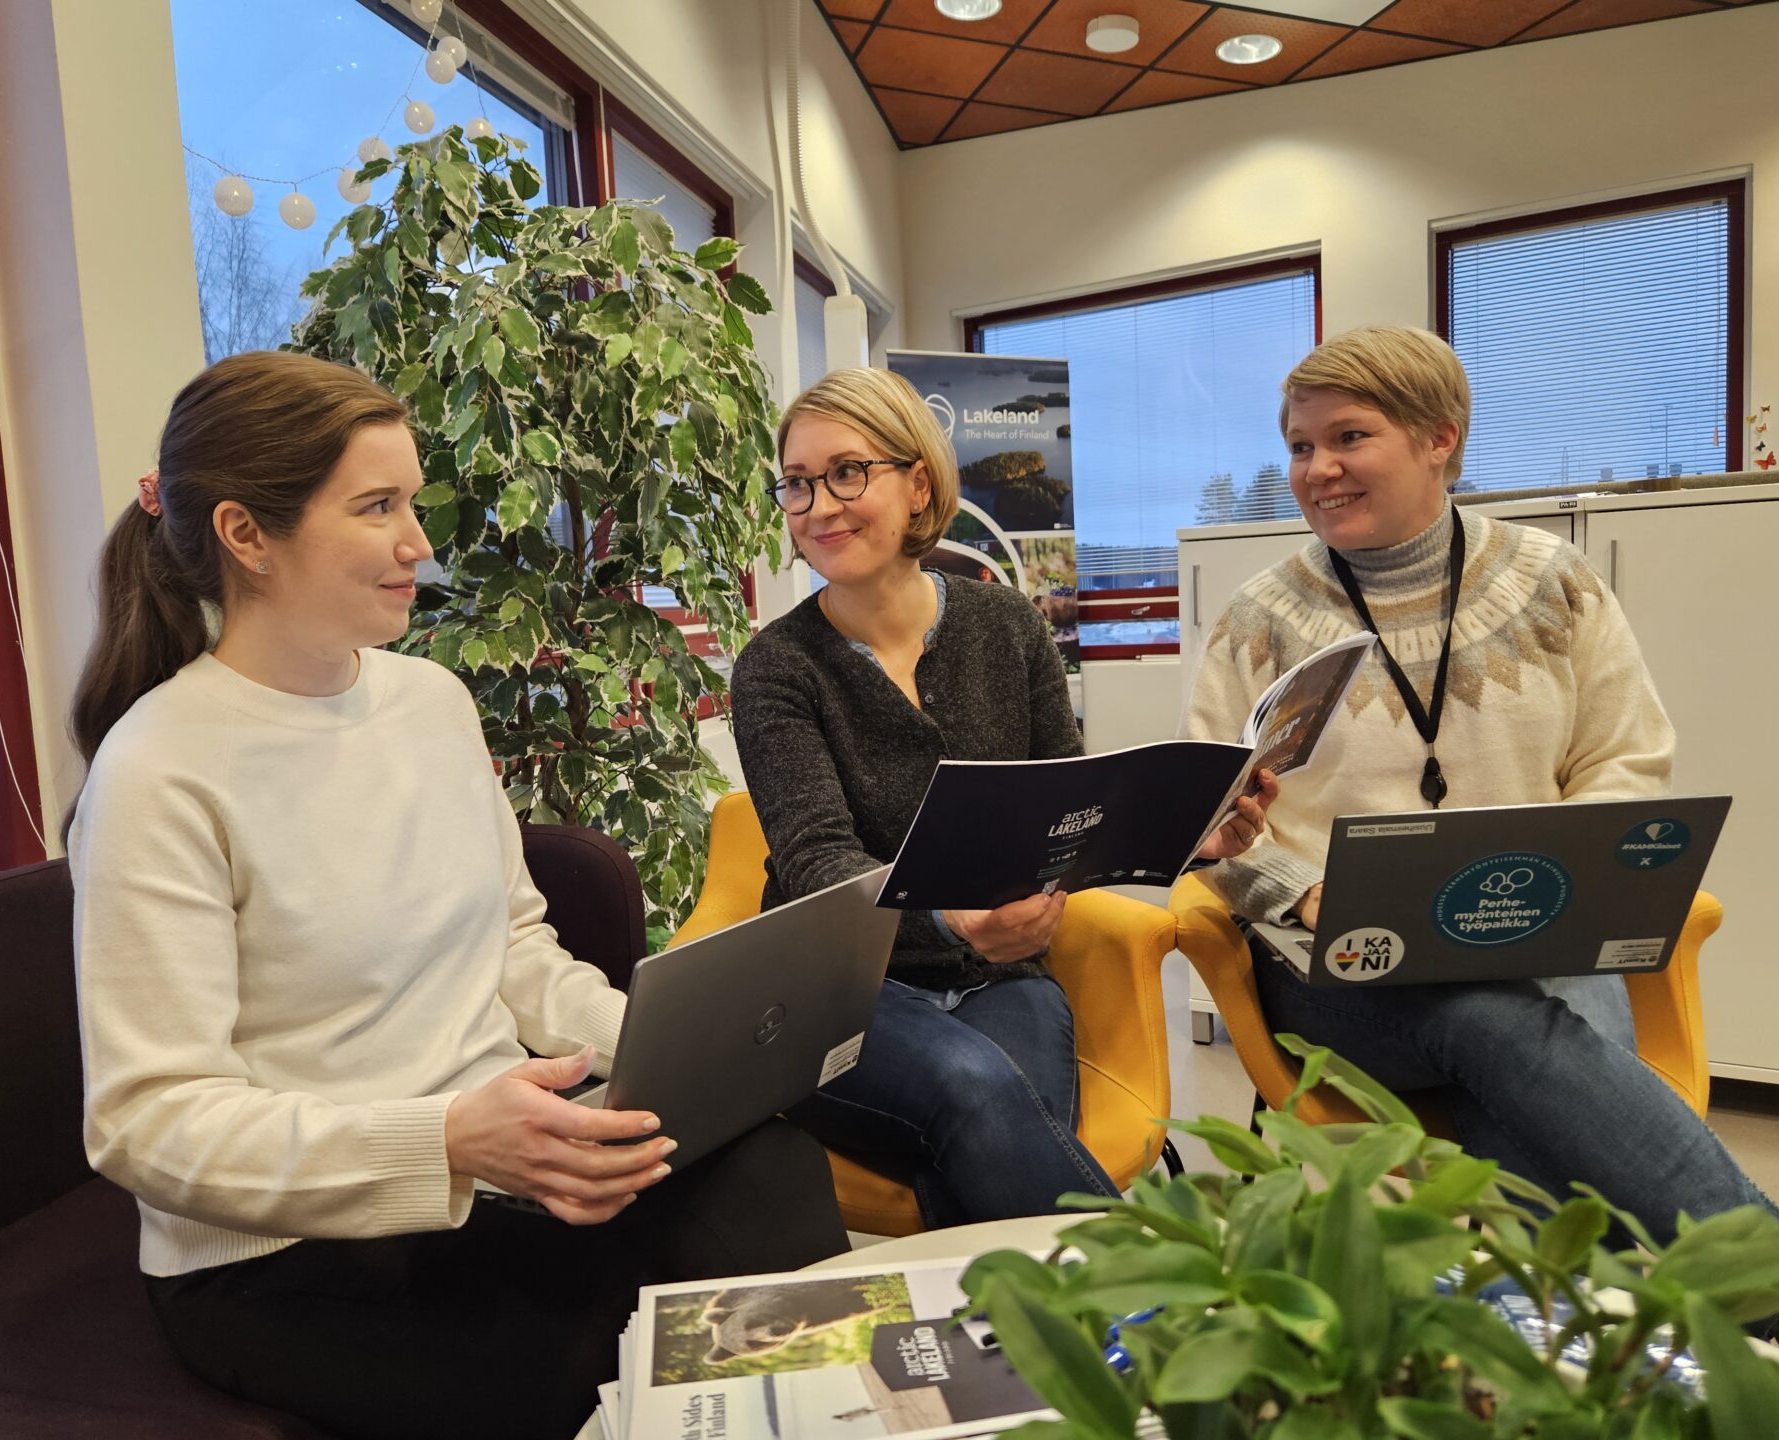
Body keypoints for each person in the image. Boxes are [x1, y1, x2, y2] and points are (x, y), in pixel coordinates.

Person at [67, 351, 847, 1440]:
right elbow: (147, 1125)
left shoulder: (429, 700)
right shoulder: (160, 771)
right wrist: (446, 1141)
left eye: (413, 503)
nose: (419, 545)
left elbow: (514, 947)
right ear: (248, 536)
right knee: (599, 1346)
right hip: (286, 1253)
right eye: (378, 507)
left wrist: (671, 1045)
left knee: (769, 1171)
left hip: (490, 1161)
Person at [1182, 324, 1779, 1255]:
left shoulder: (1558, 582)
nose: (1318, 470)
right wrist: (1298, 891)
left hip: (1540, 932)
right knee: (1497, 1020)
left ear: (1441, 437)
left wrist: (1572, 885)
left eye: (1350, 437)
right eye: (1300, 446)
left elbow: (1624, 762)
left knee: (1521, 1046)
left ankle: (1569, 1344)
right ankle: (1766, 1274)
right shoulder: (1258, 617)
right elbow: (1210, 816)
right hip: (1336, 961)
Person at [730, 367, 1275, 1230]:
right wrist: (953, 921)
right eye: (797, 484)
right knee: (982, 1089)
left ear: (918, 484)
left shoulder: (1007, 626)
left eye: (845, 472)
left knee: (989, 1131)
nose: (819, 506)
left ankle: (1007, 1354)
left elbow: (1073, 804)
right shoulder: (776, 667)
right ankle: (1169, 1319)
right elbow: (815, 863)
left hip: (1006, 978)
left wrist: (1188, 837)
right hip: (841, 989)